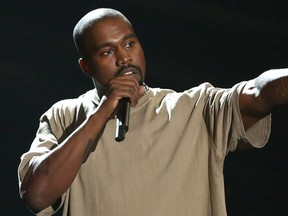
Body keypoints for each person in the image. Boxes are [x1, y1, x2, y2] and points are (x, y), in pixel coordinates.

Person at [18, 8, 288, 216]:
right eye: (107, 51)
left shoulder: (193, 109)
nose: (124, 58)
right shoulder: (63, 116)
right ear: (86, 66)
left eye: (129, 44)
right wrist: (103, 112)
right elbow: (37, 195)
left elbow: (259, 92)